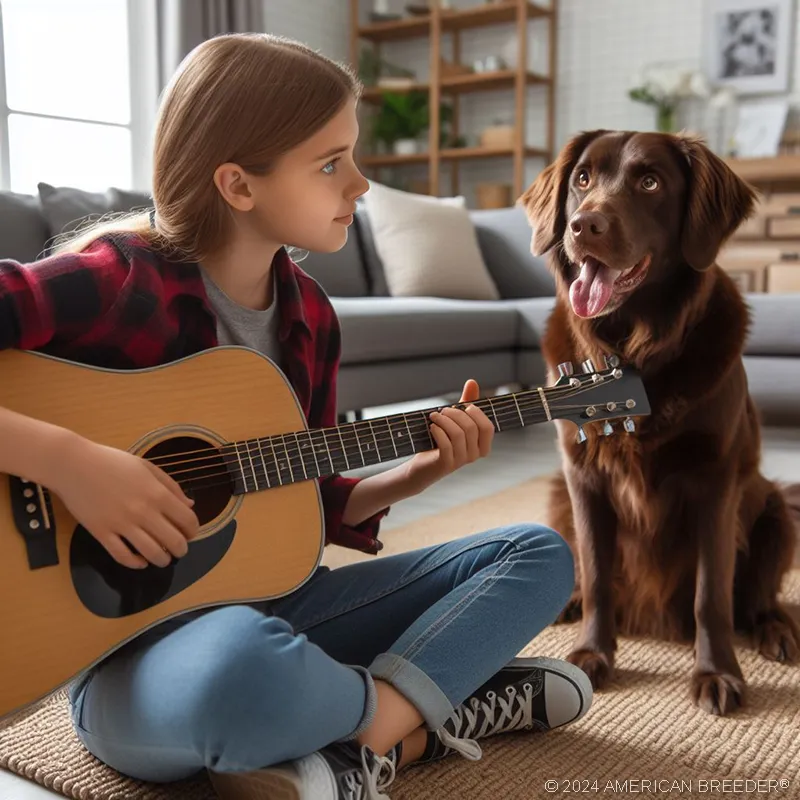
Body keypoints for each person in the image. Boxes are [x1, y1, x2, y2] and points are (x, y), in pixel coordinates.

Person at [0, 34, 591, 800]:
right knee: (242, 667)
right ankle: (427, 710)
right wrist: (69, 462)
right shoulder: (117, 280)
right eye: (329, 163)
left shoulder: (311, 314)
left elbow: (299, 495)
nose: (361, 184)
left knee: (539, 554)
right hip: (128, 656)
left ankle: (363, 746)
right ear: (239, 186)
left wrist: (416, 474)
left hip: (283, 609)